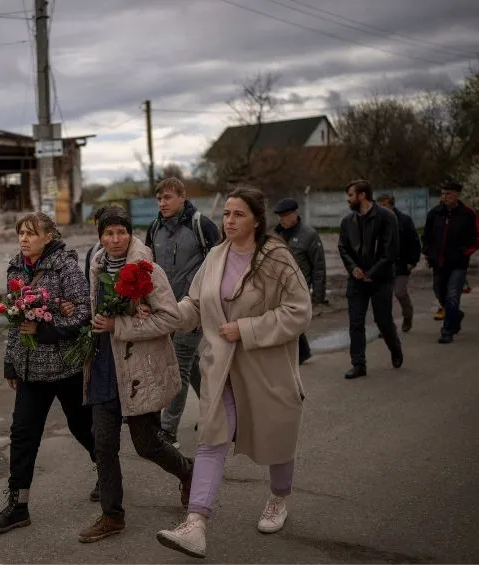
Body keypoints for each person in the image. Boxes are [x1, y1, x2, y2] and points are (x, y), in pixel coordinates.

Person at [153, 186, 312, 559]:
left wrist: (247, 329)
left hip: (265, 366)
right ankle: (196, 524)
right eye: (226, 214)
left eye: (238, 214)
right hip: (220, 365)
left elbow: (300, 310)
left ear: (257, 219)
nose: (229, 221)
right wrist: (167, 316)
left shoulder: (277, 258)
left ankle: (278, 499)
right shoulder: (216, 256)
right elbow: (195, 303)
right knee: (211, 438)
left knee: (277, 436)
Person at [77, 206, 193, 544]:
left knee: (147, 445)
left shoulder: (148, 269)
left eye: (120, 232)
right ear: (99, 236)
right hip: (102, 367)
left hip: (138, 370)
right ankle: (112, 516)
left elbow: (171, 318)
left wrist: (121, 324)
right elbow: (95, 309)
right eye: (108, 233)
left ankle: (189, 472)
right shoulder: (96, 266)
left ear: (130, 234)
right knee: (103, 444)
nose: (114, 239)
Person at [0, 212, 97, 534]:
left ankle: (106, 471)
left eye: (31, 233)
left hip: (65, 368)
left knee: (81, 426)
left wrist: (48, 330)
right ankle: (18, 506)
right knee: (22, 435)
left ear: (48, 236)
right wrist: (11, 363)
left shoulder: (64, 266)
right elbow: (15, 321)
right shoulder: (15, 268)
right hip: (30, 370)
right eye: (21, 232)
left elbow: (83, 313)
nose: (24, 239)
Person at [145, 177, 220, 447]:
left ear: (182, 197)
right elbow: (148, 267)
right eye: (159, 198)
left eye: (167, 197)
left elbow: (219, 263)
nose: (162, 203)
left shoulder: (201, 225)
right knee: (191, 364)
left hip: (195, 307)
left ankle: (168, 430)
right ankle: (216, 411)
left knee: (179, 365)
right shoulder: (155, 228)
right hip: (166, 308)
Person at [337, 179, 403, 379]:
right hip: (356, 279)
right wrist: (353, 268)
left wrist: (371, 273)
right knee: (356, 322)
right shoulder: (348, 221)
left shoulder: (386, 217)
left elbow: (390, 252)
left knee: (382, 320)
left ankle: (395, 349)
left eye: (350, 195)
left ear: (362, 195)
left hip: (381, 278)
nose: (348, 199)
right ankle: (358, 364)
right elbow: (343, 247)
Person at [421, 180, 479, 344]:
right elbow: (426, 235)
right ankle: (456, 315)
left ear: (456, 195)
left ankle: (447, 331)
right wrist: (427, 251)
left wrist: (464, 252)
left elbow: (476, 238)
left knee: (453, 296)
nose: (445, 197)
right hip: (438, 263)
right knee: (440, 293)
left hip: (458, 264)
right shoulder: (435, 213)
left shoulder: (468, 214)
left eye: (448, 194)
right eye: (443, 193)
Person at [272, 197, 326, 363]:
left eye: (286, 215)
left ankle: (300, 353)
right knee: (284, 320)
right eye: (280, 216)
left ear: (296, 213)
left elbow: (318, 267)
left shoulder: (309, 235)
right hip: (277, 285)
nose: (283, 219)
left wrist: (318, 295)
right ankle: (301, 352)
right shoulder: (275, 235)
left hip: (299, 286)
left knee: (291, 320)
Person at [376, 194, 421, 332]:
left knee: (400, 292)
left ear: (392, 205)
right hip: (383, 265)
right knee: (384, 297)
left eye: (385, 204)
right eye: (380, 205)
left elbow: (414, 241)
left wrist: (412, 261)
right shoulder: (376, 222)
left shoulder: (404, 221)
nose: (382, 208)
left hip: (401, 264)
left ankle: (407, 316)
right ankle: (386, 327)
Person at [84, 206, 111, 281]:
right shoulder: (93, 252)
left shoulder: (129, 251)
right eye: (99, 226)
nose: (102, 230)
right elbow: (89, 282)